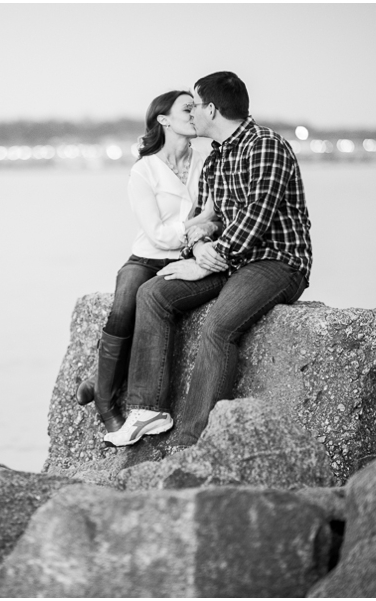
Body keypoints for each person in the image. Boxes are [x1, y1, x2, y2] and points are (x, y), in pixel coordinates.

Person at [104, 71, 313, 448]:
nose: (192, 112)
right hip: (230, 259)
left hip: (276, 261)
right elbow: (203, 218)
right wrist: (198, 246)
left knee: (218, 327)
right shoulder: (216, 158)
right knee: (153, 293)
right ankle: (149, 409)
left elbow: (256, 217)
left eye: (195, 105)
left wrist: (206, 259)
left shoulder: (264, 145)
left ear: (212, 109)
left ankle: (192, 441)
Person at [77, 90, 222, 434]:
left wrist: (207, 224)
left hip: (192, 259)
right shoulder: (144, 170)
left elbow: (218, 219)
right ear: (163, 119)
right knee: (125, 301)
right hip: (147, 257)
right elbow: (157, 234)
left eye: (196, 107)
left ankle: (97, 380)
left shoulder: (209, 161)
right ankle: (104, 400)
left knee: (154, 308)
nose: (195, 112)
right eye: (187, 108)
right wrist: (198, 222)